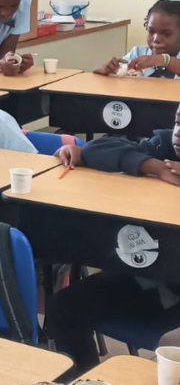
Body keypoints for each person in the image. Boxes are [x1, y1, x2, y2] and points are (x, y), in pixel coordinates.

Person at [49, 109, 180, 376]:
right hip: (155, 280)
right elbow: (99, 147)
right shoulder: (163, 147)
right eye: (178, 121)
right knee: (64, 307)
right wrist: (154, 167)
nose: (179, 132)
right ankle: (86, 378)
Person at [55, 102, 180, 185]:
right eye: (178, 122)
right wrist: (160, 168)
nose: (177, 133)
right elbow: (95, 148)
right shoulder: (162, 144)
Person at [94, 0, 180, 79]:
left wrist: (165, 60)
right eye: (151, 31)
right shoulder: (138, 53)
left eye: (166, 34)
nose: (156, 39)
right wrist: (110, 70)